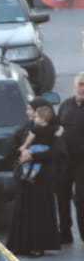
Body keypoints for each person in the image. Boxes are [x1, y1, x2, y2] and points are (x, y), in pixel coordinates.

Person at [8, 98, 63, 257]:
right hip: (25, 177)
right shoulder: (26, 128)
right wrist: (22, 153)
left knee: (39, 212)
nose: (28, 113)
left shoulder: (55, 130)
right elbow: (14, 147)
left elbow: (56, 152)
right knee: (23, 210)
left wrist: (33, 155)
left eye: (30, 109)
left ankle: (38, 245)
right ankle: (20, 244)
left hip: (42, 177)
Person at [55, 73, 84, 244]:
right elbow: (58, 127)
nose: (83, 88)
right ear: (75, 86)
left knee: (81, 198)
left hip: (82, 162)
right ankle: (65, 232)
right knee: (62, 196)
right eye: (80, 84)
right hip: (65, 160)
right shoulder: (66, 105)